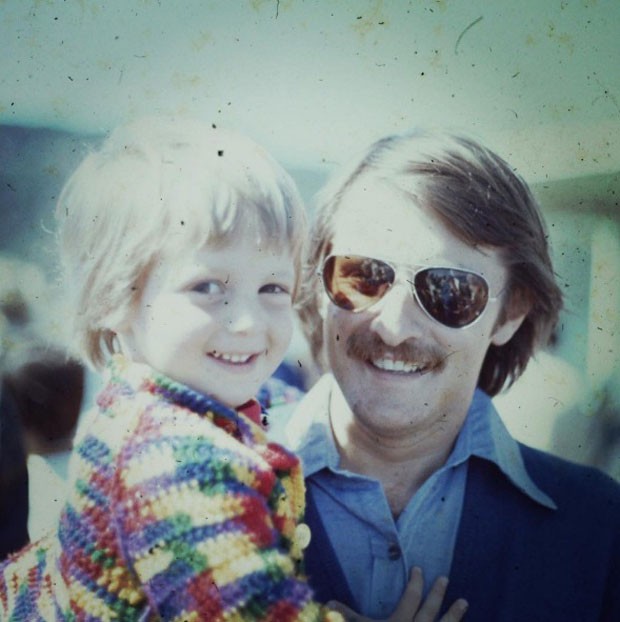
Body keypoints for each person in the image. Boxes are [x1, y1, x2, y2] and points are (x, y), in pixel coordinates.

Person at [0, 118, 466, 622]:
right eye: (207, 287)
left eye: (272, 289)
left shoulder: (128, 410)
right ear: (116, 298)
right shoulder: (182, 461)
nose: (246, 323)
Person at [277, 129, 620, 621]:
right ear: (317, 286)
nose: (394, 329)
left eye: (449, 291)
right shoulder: (199, 492)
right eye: (363, 275)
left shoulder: (600, 530)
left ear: (511, 314)